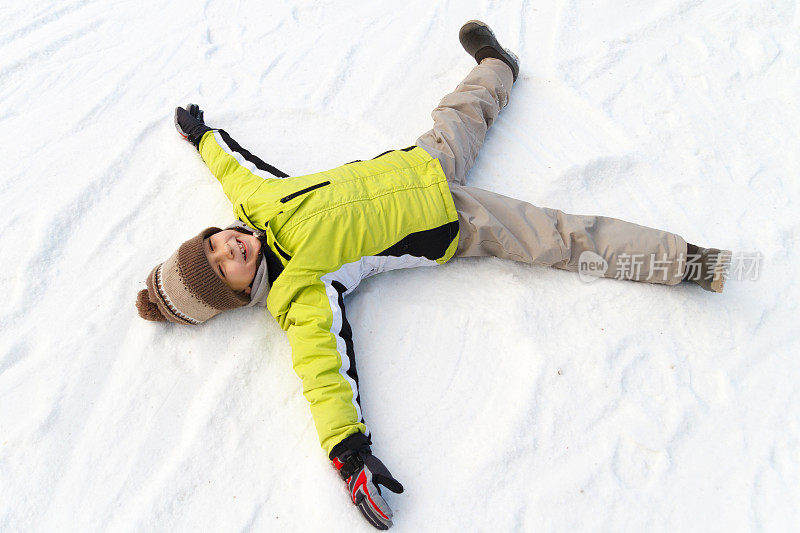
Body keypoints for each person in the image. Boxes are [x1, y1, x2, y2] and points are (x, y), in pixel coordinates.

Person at [135, 20, 731, 530]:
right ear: (239, 294)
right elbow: (323, 374)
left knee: (462, 111)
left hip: (423, 161)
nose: (228, 248)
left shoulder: (257, 205)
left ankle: (498, 65)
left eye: (214, 243)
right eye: (222, 268)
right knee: (561, 236)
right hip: (452, 219)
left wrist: (202, 137)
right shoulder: (299, 293)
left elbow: (233, 169)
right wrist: (349, 453)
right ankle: (687, 261)